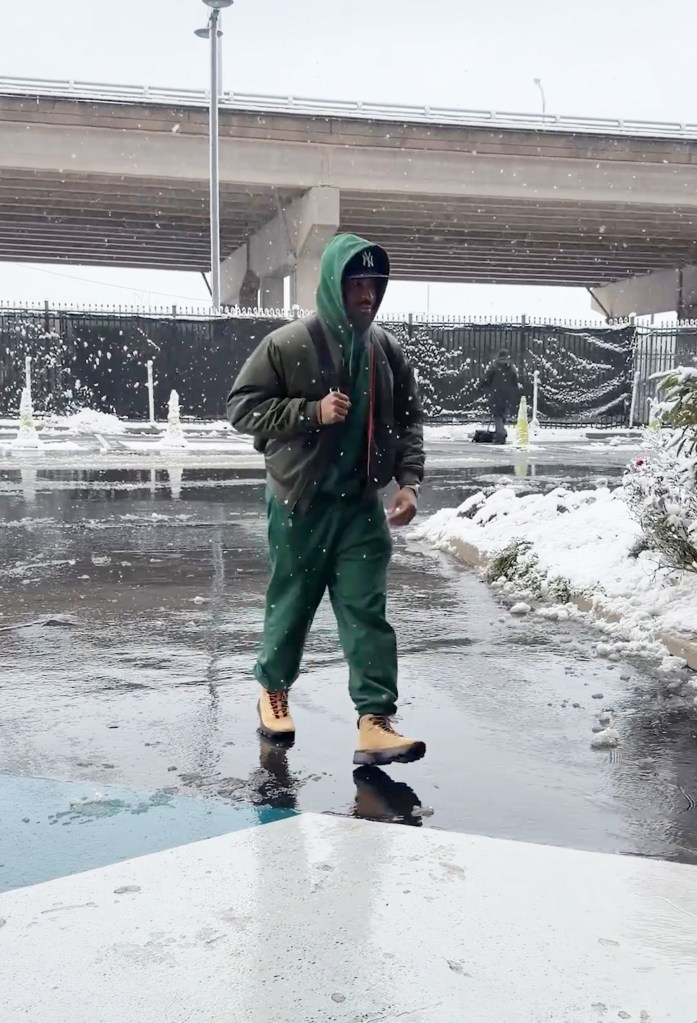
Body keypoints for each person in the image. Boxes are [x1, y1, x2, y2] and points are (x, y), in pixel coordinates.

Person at [227, 233, 426, 767]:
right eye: (356, 284)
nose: (367, 295)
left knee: (368, 615)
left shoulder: (386, 350)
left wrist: (408, 483)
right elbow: (242, 409)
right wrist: (309, 412)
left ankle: (375, 721)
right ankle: (273, 691)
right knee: (292, 605)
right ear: (335, 287)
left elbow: (408, 423)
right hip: (302, 504)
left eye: (374, 285)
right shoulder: (289, 345)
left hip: (362, 507)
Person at [478, 348, 522, 443]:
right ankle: (501, 430)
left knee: (497, 415)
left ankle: (501, 434)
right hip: (508, 395)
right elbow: (515, 381)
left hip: (496, 394)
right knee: (502, 414)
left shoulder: (494, 366)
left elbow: (486, 379)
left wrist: (482, 387)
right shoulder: (511, 367)